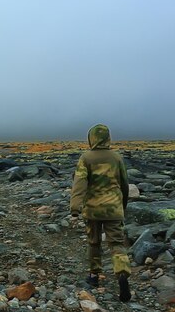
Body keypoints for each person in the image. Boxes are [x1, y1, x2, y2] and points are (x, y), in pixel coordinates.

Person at [70, 124, 132, 302]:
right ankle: (122, 274)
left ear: (92, 138)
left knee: (94, 242)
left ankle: (94, 276)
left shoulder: (86, 158)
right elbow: (124, 184)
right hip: (113, 209)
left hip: (92, 210)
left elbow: (79, 183)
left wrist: (75, 207)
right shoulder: (117, 158)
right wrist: (123, 205)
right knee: (116, 244)